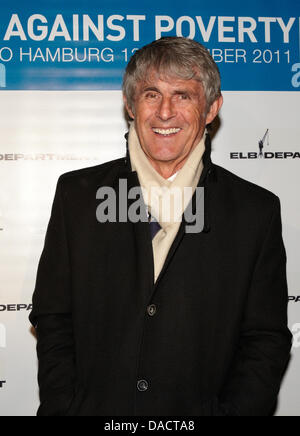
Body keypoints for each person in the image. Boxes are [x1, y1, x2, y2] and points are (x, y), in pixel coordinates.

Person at [29, 37, 292, 416]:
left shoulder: (255, 211)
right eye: (151, 94)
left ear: (211, 109)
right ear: (130, 104)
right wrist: (68, 406)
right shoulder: (78, 195)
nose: (165, 112)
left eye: (183, 95)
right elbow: (53, 315)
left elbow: (265, 339)